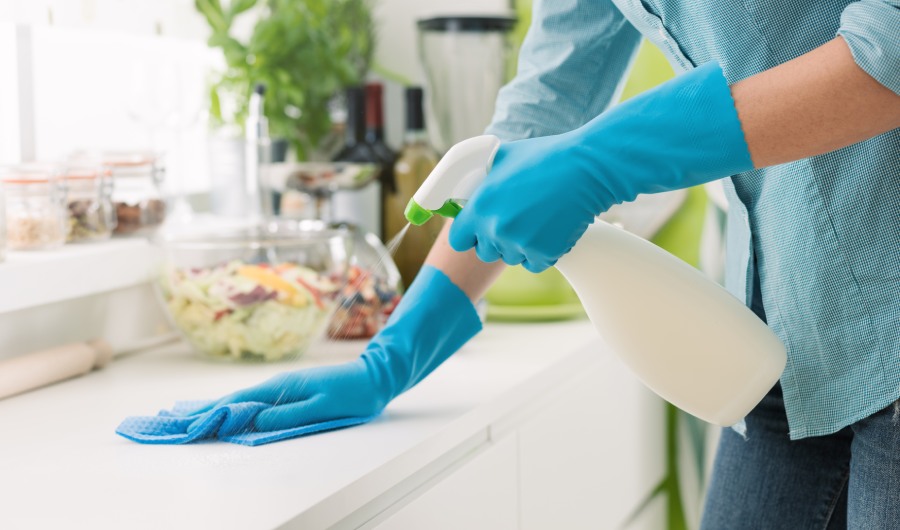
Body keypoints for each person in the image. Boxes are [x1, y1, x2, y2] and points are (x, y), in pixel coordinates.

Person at [180, 1, 900, 527]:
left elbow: (890, 42)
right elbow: (546, 102)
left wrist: (608, 157)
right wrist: (391, 360)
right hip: (790, 338)